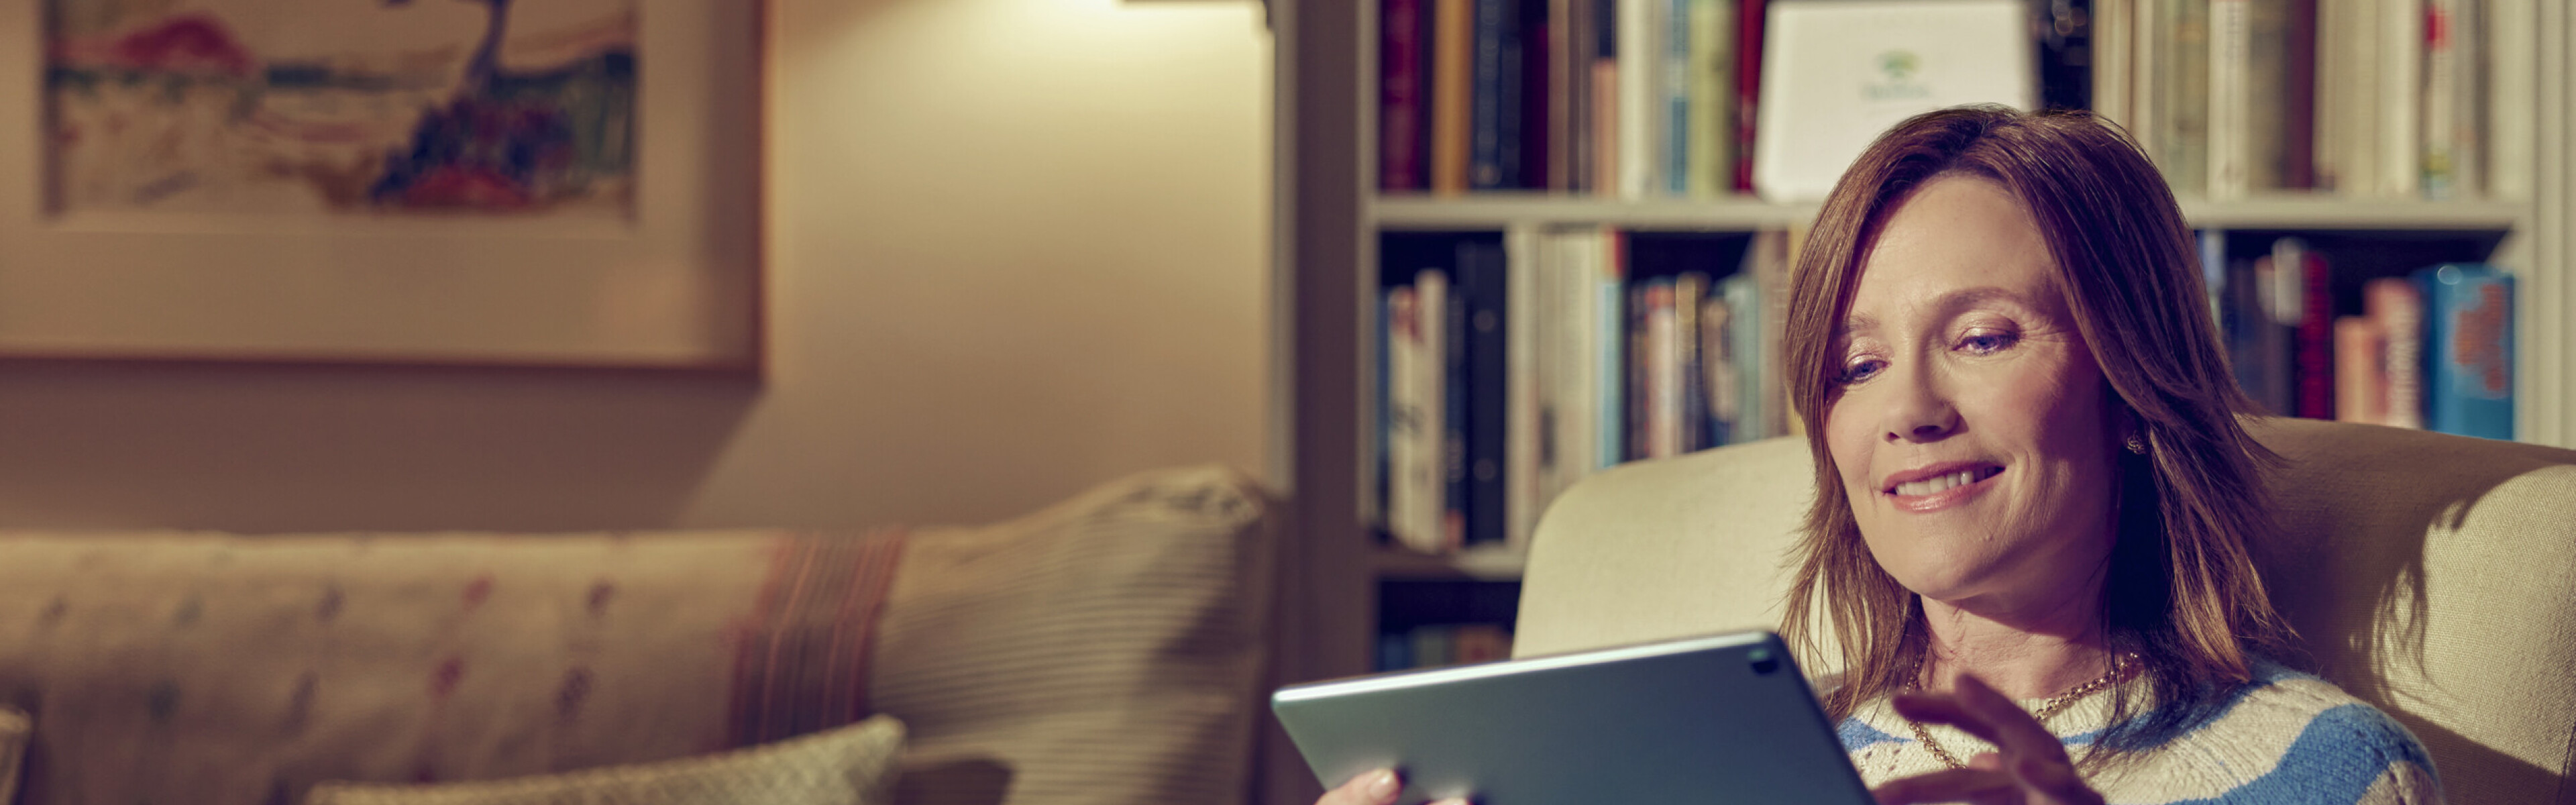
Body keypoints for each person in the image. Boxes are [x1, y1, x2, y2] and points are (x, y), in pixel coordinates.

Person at [1314, 106, 2443, 805]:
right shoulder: (1727, 771)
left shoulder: (2337, 776)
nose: (1906, 407)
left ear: (2132, 385)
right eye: (1855, 366)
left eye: (1983, 338)